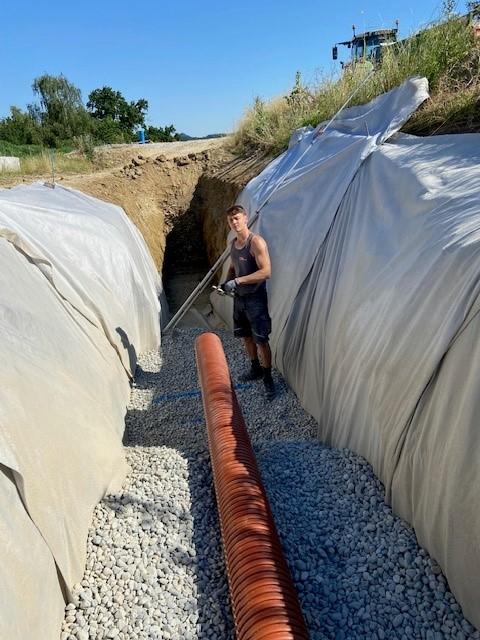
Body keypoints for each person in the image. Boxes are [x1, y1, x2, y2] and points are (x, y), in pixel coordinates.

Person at [220, 204, 275, 400]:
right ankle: (255, 368)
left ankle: (268, 377)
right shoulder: (234, 244)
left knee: (261, 339)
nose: (234, 223)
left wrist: (239, 281)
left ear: (245, 218)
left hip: (255, 298)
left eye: (237, 218)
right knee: (246, 336)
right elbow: (234, 267)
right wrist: (227, 281)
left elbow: (266, 271)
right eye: (231, 220)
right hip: (240, 299)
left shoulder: (256, 242)